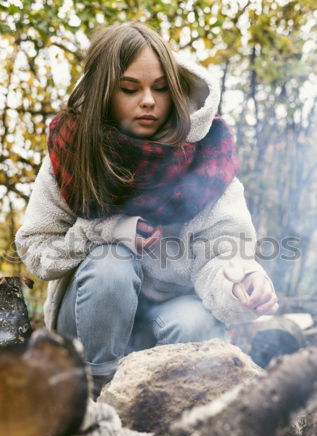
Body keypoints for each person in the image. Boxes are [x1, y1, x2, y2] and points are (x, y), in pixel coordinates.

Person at [15, 22, 278, 398]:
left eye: (160, 88)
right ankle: (96, 399)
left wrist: (242, 283)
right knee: (111, 263)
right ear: (105, 93)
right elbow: (38, 251)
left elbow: (221, 257)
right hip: (88, 328)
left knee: (195, 322)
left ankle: (179, 418)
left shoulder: (209, 159)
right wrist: (105, 230)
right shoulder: (73, 151)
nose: (149, 101)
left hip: (170, 316)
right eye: (129, 89)